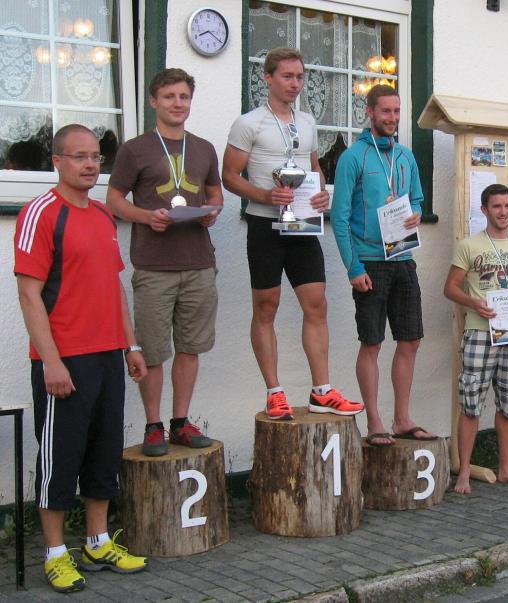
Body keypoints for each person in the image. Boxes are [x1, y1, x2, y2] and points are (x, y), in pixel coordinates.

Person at [14, 124, 149, 593]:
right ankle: (55, 553)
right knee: (60, 458)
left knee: (103, 453)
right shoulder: (40, 213)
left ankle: (97, 541)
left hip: (108, 355)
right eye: (79, 157)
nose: (90, 165)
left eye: (95, 157)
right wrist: (51, 361)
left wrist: (131, 346)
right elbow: (29, 295)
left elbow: (114, 286)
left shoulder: (102, 216)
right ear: (57, 161)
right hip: (64, 361)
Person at [222, 47, 363, 420]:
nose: (295, 84)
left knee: (316, 303)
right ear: (268, 77)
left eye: (300, 77)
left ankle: (322, 391)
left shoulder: (308, 121)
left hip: (302, 222)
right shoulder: (249, 123)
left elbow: (313, 166)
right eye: (287, 76)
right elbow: (229, 176)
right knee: (266, 306)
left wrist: (320, 193)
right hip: (264, 224)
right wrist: (264, 195)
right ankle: (274, 392)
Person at [107, 68, 221, 456]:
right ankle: (153, 426)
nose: (177, 103)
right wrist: (146, 216)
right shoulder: (135, 149)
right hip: (154, 266)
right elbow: (114, 199)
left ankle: (180, 422)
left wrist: (212, 212)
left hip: (199, 263)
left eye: (184, 96)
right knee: (153, 351)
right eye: (169, 96)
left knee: (190, 347)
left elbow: (215, 192)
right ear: (153, 101)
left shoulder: (203, 148)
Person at [331, 84, 435, 446]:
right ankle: (374, 421)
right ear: (370, 112)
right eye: (386, 111)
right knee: (372, 343)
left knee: (411, 339)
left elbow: (417, 199)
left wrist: (417, 213)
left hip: (403, 258)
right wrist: (353, 267)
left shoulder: (406, 156)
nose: (392, 118)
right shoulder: (353, 157)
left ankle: (402, 419)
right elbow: (339, 217)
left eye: (397, 111)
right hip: (370, 263)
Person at [444, 184, 508, 493]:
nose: (503, 212)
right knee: (471, 403)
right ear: (484, 209)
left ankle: (507, 467)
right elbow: (450, 288)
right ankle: (463, 472)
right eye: (497, 206)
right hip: (479, 331)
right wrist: (473, 302)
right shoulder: (469, 245)